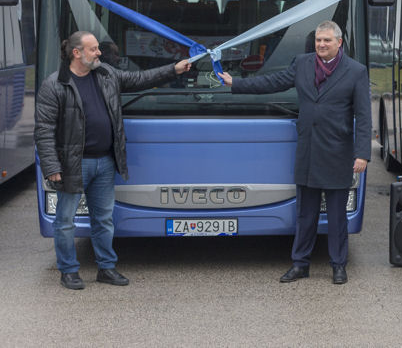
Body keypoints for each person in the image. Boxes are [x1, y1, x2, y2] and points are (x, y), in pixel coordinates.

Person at [35, 31, 191, 290]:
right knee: (65, 222)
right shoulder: (55, 85)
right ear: (77, 53)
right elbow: (43, 130)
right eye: (94, 49)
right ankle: (69, 271)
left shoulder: (106, 74)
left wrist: (173, 69)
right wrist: (51, 167)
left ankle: (106, 268)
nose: (99, 53)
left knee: (104, 219)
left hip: (105, 162)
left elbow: (141, 78)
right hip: (74, 164)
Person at [220, 21, 370, 284]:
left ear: (339, 43)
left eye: (326, 41)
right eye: (318, 40)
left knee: (336, 218)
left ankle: (338, 266)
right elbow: (272, 82)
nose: (321, 45)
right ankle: (300, 264)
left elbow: (364, 116)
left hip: (337, 154)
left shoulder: (356, 72)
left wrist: (362, 154)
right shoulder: (301, 63)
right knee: (305, 215)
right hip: (308, 153)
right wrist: (236, 83)